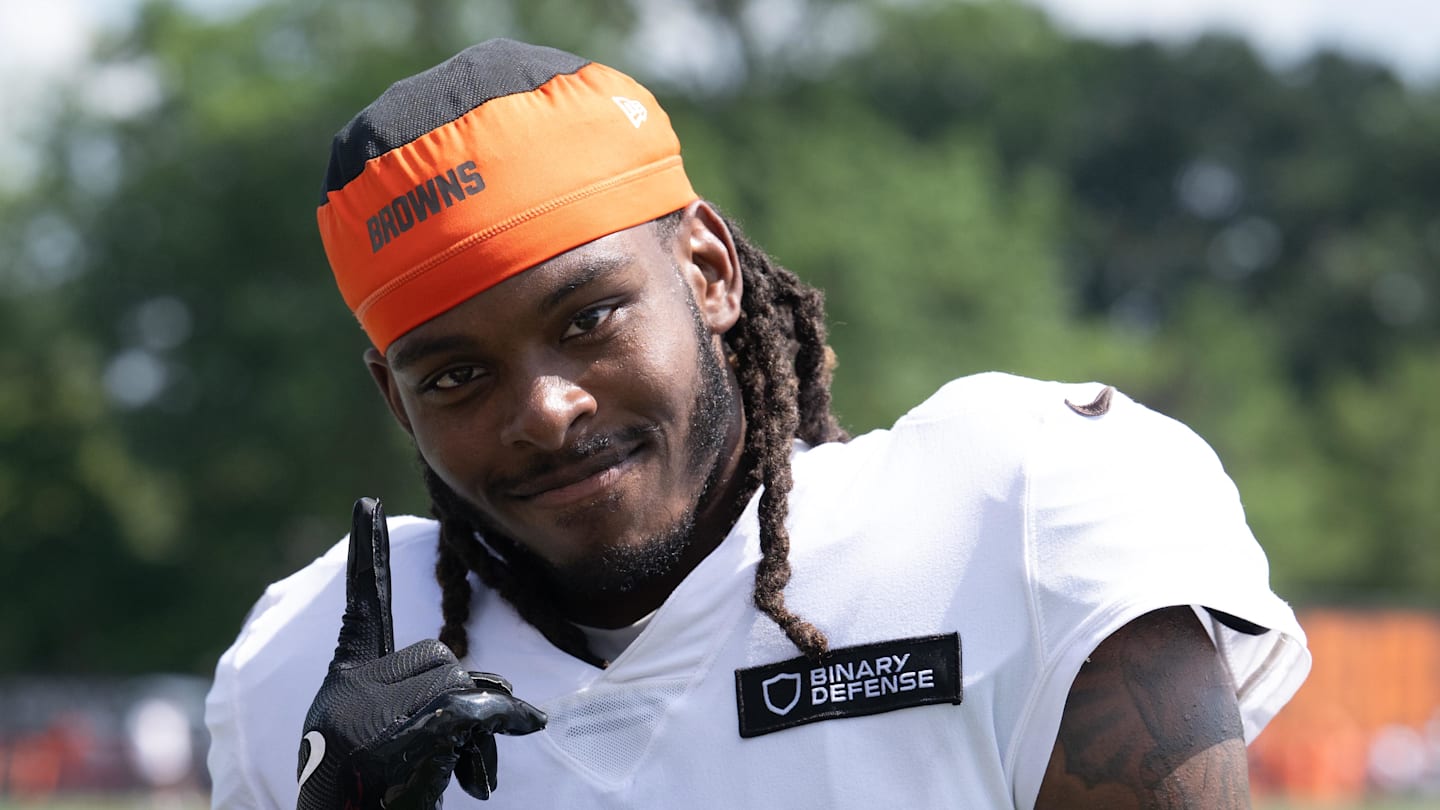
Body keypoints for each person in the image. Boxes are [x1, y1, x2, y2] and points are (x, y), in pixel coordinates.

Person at [204, 38, 1311, 809]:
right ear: (395, 402)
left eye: (588, 318)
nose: (544, 410)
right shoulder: (309, 668)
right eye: (454, 376)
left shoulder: (1013, 517)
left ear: (709, 270)